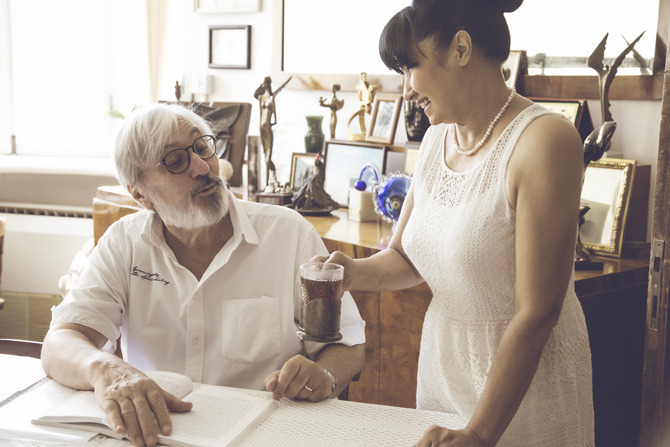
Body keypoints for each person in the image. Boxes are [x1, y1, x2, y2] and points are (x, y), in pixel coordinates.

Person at [316, 0, 594, 446]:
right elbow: (407, 256)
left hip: (521, 392)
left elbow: (539, 311)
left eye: (410, 67)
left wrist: (479, 433)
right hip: (444, 373)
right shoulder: (434, 140)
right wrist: (352, 273)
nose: (405, 89)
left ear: (461, 48)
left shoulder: (544, 140)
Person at [41, 103, 365, 447]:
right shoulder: (124, 242)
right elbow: (60, 342)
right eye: (176, 161)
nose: (202, 167)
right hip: (159, 434)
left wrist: (325, 376)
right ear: (140, 195)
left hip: (265, 434)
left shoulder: (288, 234)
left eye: (202, 148)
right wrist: (104, 368)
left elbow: (347, 344)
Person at [253, 76, 291, 189]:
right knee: (265, 153)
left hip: (268, 127)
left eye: (265, 83)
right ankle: (267, 181)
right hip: (261, 126)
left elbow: (275, 118)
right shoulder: (261, 98)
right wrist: (262, 83)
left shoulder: (271, 99)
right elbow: (255, 94)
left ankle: (271, 176)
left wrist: (271, 124)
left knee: (268, 155)